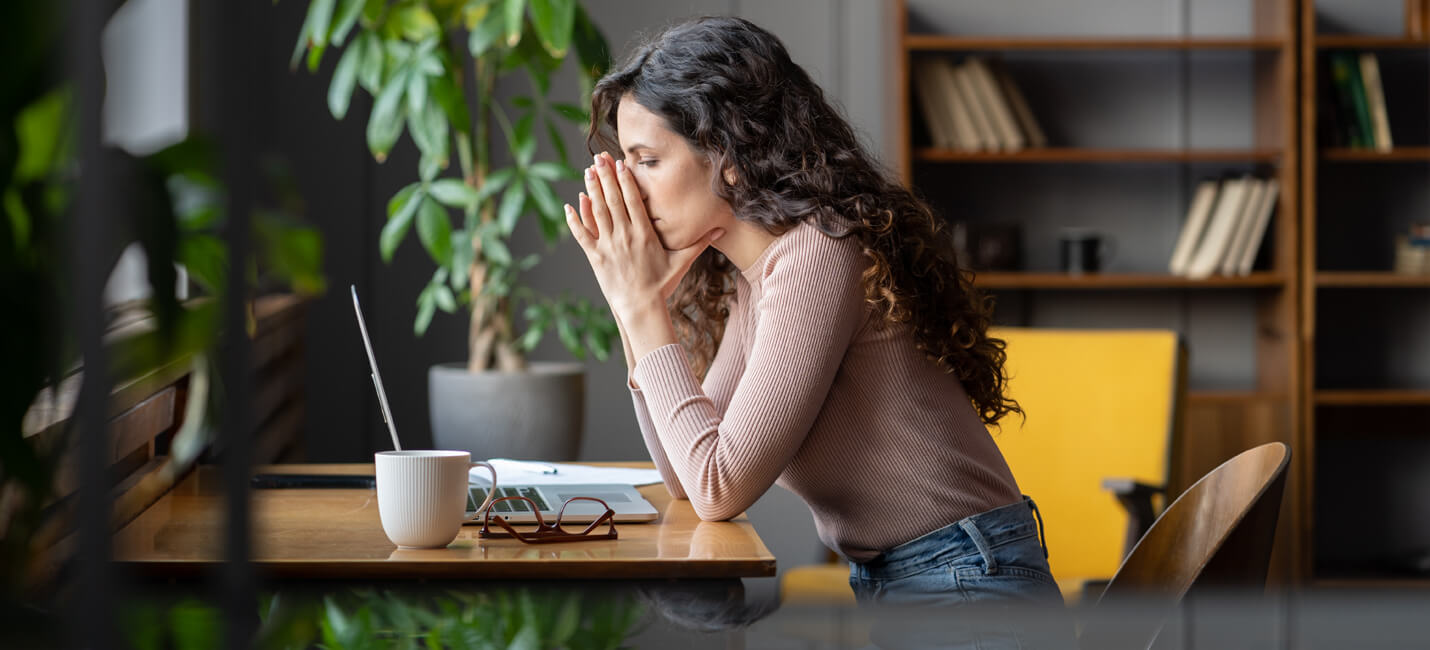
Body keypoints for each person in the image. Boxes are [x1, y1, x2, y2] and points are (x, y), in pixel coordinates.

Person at [563, 16, 1063, 612]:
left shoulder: (817, 254)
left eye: (647, 160)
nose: (630, 189)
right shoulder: (760, 277)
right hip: (928, 578)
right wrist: (633, 305)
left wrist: (641, 305)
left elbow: (718, 486)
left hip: (967, 580)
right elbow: (686, 477)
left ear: (728, 155)